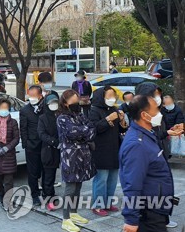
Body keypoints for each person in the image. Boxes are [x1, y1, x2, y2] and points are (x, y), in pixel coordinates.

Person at [120, 95, 180, 232]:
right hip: (148, 213)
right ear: (144, 115)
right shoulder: (137, 144)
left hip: (157, 208)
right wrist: (131, 220)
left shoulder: (147, 133)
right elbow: (132, 184)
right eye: (156, 110)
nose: (160, 113)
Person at [57, 89, 96, 232]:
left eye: (77, 100)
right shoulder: (62, 118)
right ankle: (65, 218)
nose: (76, 103)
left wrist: (83, 131)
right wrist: (84, 131)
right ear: (66, 103)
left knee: (78, 186)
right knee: (70, 187)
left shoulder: (80, 115)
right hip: (70, 157)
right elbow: (72, 133)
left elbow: (92, 130)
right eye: (73, 101)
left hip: (83, 155)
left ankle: (74, 213)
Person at [88, 87, 128, 216]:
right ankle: (98, 205)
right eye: (109, 96)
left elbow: (121, 131)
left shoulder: (115, 109)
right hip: (101, 149)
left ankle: (108, 202)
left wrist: (122, 120)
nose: (112, 98)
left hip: (115, 148)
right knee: (101, 178)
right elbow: (94, 129)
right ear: (102, 97)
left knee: (112, 178)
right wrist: (107, 119)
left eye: (114, 96)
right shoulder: (94, 110)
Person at [20, 85, 44, 206]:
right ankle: (34, 194)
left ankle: (47, 192)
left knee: (45, 170)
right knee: (32, 172)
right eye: (30, 95)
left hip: (45, 145)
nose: (32, 98)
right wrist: (26, 144)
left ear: (40, 96)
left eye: (34, 95)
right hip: (31, 145)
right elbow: (23, 129)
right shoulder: (25, 110)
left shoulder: (46, 108)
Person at [37, 94, 61, 211]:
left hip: (59, 150)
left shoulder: (60, 115)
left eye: (55, 102)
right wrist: (54, 142)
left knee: (52, 174)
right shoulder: (42, 118)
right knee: (48, 175)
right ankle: (47, 197)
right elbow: (41, 134)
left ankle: (51, 193)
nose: (53, 105)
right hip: (48, 150)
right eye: (51, 103)